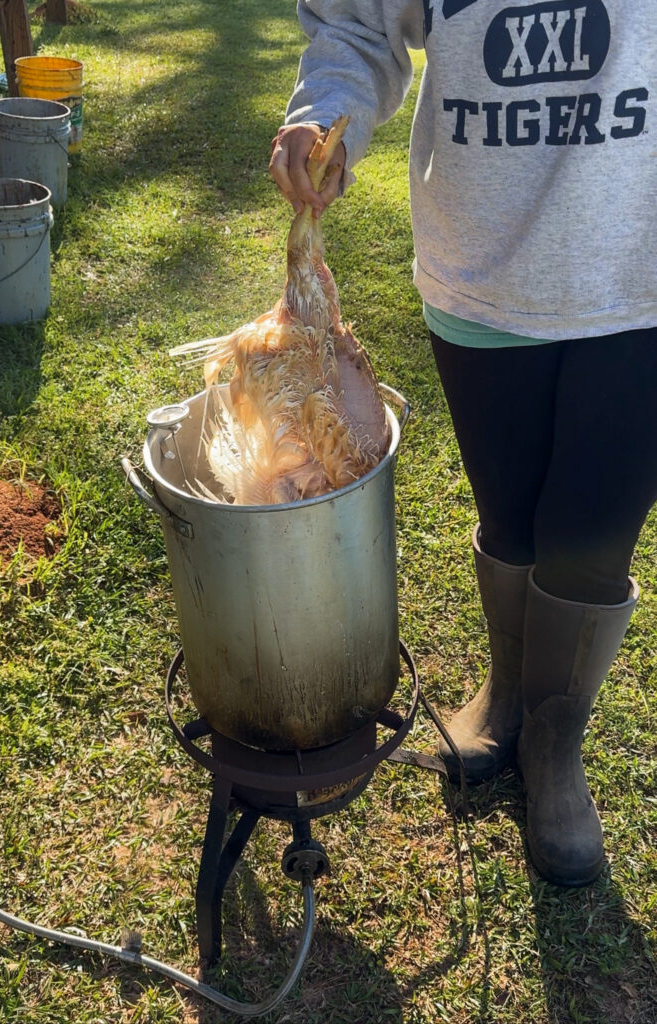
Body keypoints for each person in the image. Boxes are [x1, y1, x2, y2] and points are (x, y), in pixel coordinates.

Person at [269, 0, 657, 887]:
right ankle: (507, 700)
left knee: (590, 536)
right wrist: (322, 109)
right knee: (510, 511)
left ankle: (555, 752)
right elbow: (361, 25)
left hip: (639, 278)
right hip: (478, 275)